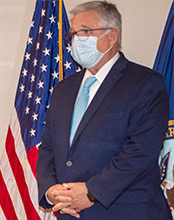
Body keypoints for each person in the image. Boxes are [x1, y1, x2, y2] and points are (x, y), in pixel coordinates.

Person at [37, 1, 171, 219]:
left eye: (86, 31)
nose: (76, 40)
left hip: (127, 212)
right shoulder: (64, 89)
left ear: (112, 36)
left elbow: (140, 152)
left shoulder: (145, 84)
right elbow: (48, 149)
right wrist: (51, 191)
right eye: (73, 34)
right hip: (70, 214)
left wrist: (91, 193)